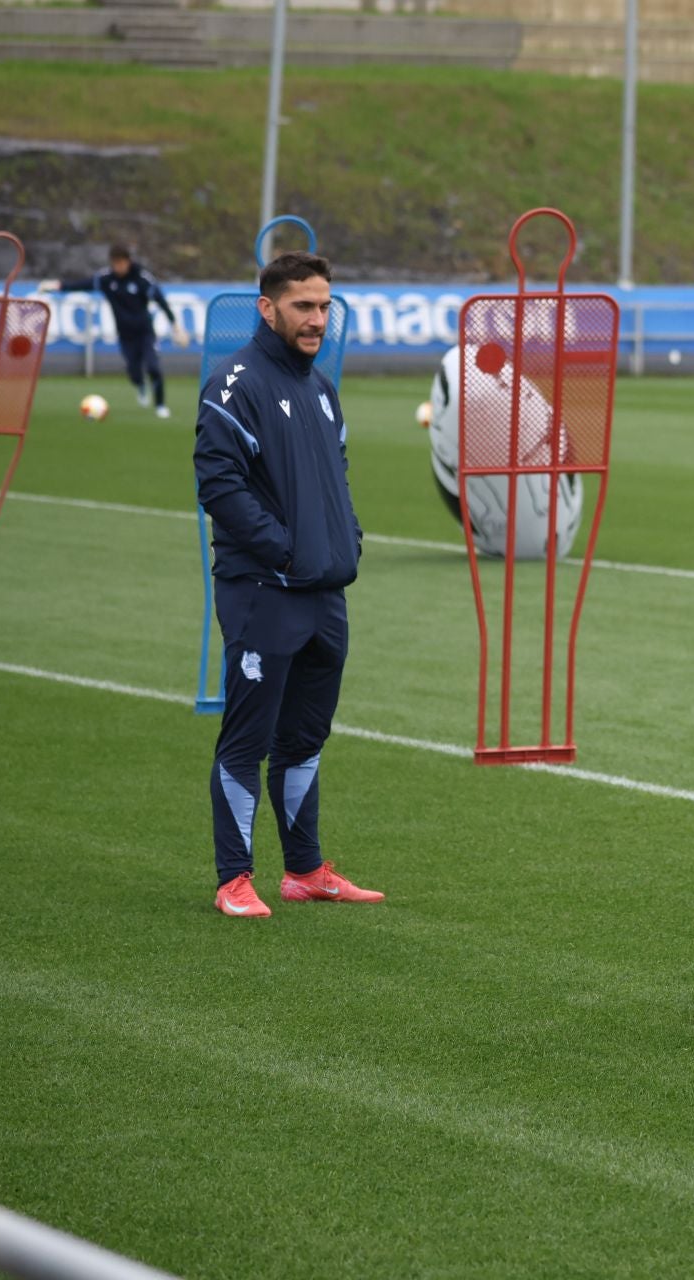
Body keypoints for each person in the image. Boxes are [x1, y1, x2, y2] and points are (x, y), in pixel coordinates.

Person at [193, 251, 380, 918]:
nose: (317, 319)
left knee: (304, 740)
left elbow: (339, 475)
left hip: (324, 595)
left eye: (325, 306)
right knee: (246, 741)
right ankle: (233, 879)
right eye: (304, 306)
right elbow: (218, 484)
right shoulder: (233, 382)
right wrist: (286, 552)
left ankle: (303, 870)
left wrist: (345, 541)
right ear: (268, 308)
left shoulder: (321, 391)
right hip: (263, 592)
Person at [41, 245, 188, 419]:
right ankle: (140, 386)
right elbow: (83, 284)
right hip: (125, 335)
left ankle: (160, 406)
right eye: (115, 263)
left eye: (121, 263)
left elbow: (161, 300)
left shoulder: (142, 278)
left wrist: (175, 325)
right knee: (133, 371)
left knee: (153, 367)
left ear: (128, 261)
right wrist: (58, 286)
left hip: (145, 333)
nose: (118, 267)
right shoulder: (106, 279)